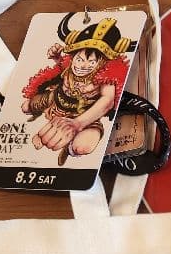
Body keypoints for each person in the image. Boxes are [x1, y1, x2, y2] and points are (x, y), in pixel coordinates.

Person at [21, 13, 135, 164]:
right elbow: (62, 70)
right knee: (25, 107)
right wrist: (57, 58)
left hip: (85, 115)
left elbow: (108, 101)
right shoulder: (69, 63)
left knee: (83, 147)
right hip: (55, 99)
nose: (82, 66)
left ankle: (69, 148)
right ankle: (39, 115)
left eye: (91, 62)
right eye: (79, 59)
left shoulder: (108, 77)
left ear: (103, 63)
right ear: (73, 56)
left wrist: (77, 123)